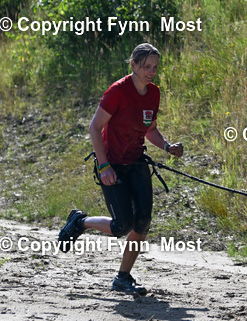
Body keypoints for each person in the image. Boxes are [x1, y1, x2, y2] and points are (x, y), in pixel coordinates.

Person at [58, 43, 183, 294]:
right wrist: (104, 166)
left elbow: (150, 129)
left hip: (136, 162)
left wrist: (167, 146)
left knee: (143, 222)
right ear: (133, 65)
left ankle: (123, 278)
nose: (151, 71)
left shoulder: (153, 93)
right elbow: (94, 128)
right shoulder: (117, 91)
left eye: (155, 67)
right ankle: (81, 221)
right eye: (146, 66)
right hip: (112, 164)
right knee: (121, 226)